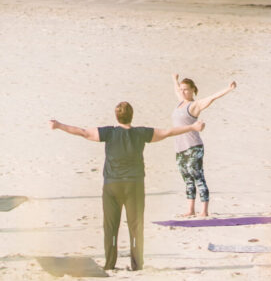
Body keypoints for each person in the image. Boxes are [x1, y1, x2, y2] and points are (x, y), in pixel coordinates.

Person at [49, 102, 205, 271]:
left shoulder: (108, 133)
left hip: (112, 186)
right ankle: (137, 265)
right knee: (136, 226)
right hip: (134, 186)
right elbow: (167, 132)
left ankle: (110, 264)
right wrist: (192, 127)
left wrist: (59, 125)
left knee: (111, 227)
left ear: (116, 116)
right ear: (132, 115)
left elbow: (83, 133)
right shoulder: (140, 133)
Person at [171, 74, 237, 217]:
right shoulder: (180, 102)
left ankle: (204, 210)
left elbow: (212, 97)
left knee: (197, 176)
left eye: (186, 90)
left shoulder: (194, 105)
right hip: (180, 147)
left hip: (193, 146)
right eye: (182, 89)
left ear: (193, 90)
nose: (183, 92)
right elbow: (176, 90)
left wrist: (229, 89)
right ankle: (190, 209)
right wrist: (175, 80)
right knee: (187, 177)